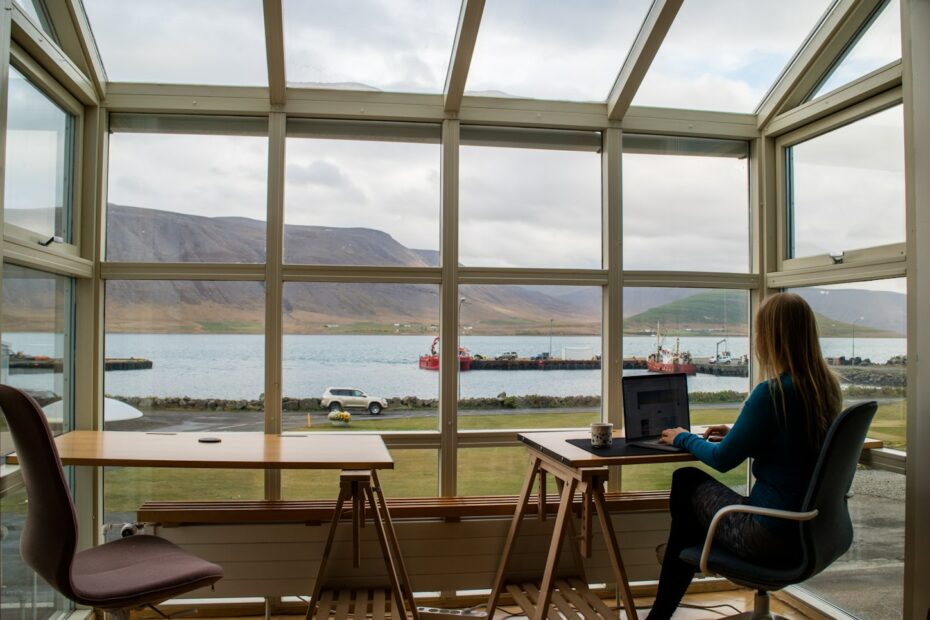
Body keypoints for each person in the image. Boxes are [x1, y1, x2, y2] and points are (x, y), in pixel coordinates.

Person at [646, 292, 842, 619]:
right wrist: (740, 432)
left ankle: (672, 584)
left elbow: (722, 460)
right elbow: (792, 444)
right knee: (688, 523)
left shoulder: (773, 393)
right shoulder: (826, 389)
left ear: (769, 338)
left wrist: (683, 438)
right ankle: (683, 557)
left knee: (686, 480)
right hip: (814, 533)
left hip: (768, 536)